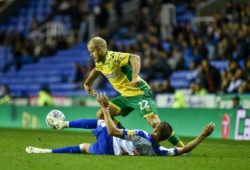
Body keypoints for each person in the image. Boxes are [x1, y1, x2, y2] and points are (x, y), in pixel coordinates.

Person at [26, 93, 215, 156]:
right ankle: (47, 151)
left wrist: (106, 109)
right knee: (82, 148)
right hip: (108, 152)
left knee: (101, 120)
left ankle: (64, 124)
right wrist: (202, 136)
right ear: (166, 138)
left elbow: (112, 130)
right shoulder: (160, 152)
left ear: (155, 129)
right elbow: (183, 150)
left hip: (110, 141)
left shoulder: (141, 134)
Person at [84, 37, 184, 147]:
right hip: (126, 96)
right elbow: (97, 70)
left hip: (139, 92)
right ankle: (127, 139)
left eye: (92, 51)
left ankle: (182, 148)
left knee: (155, 123)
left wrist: (135, 76)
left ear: (100, 49)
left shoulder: (113, 57)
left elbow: (135, 58)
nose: (91, 55)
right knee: (102, 114)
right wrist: (87, 83)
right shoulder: (100, 62)